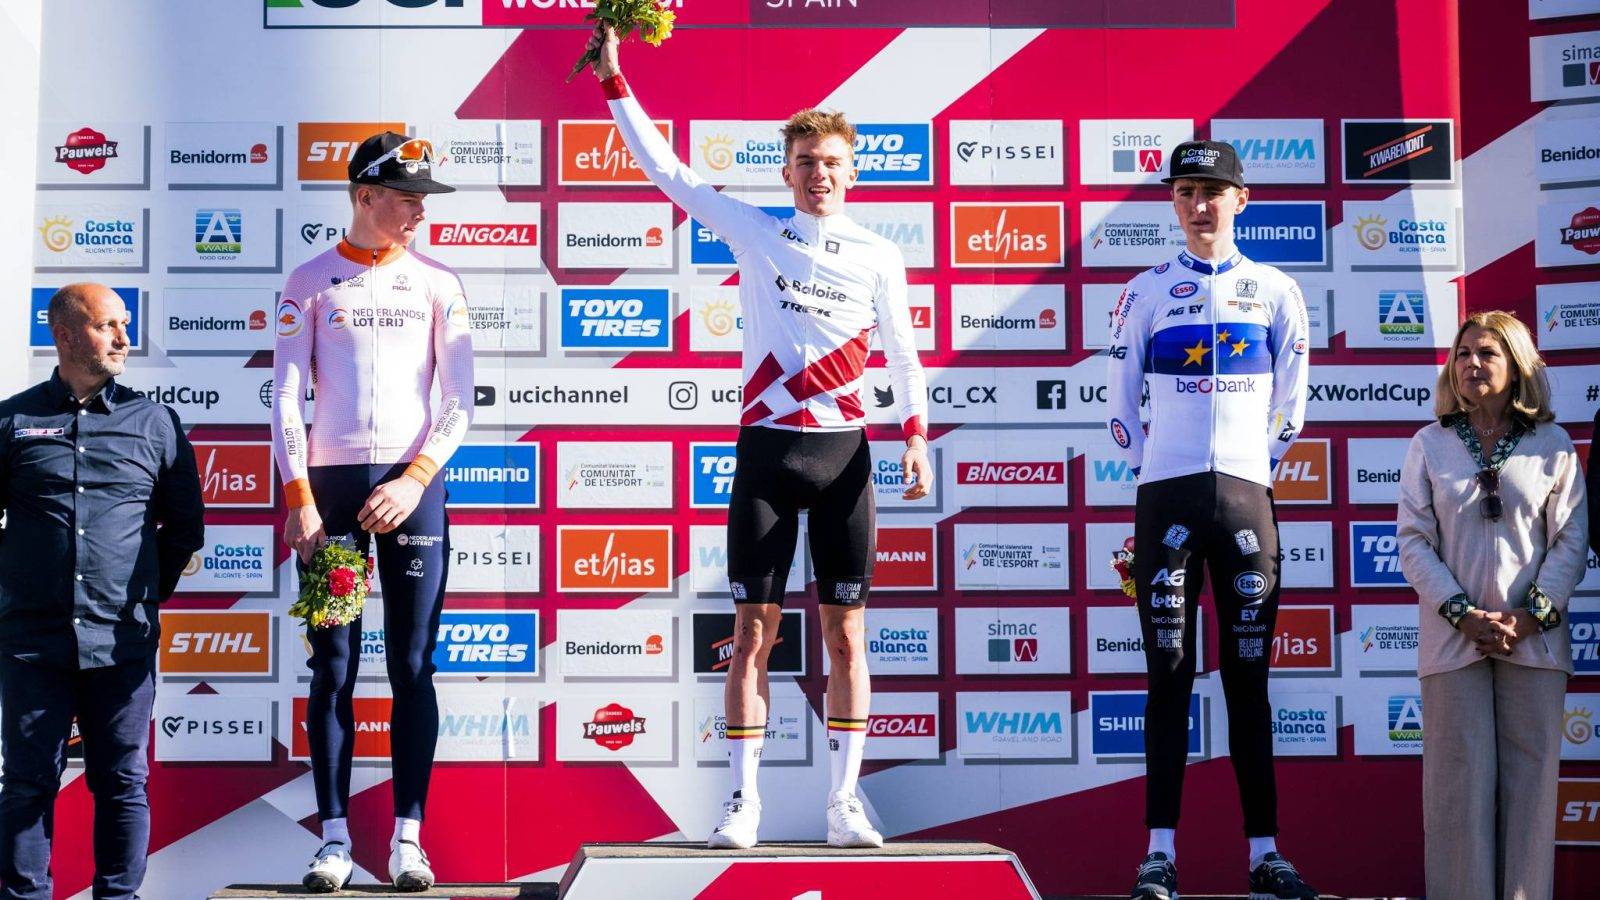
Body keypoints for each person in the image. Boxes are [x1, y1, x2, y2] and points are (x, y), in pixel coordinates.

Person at [582, 26, 932, 850]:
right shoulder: (755, 230)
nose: (820, 176)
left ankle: (845, 803)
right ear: (787, 171)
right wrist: (615, 81)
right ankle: (743, 803)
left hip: (846, 455)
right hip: (769, 454)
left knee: (847, 632)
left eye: (834, 164)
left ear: (854, 172)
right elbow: (668, 173)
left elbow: (908, 354)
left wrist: (914, 438)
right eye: (806, 163)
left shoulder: (881, 255)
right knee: (751, 634)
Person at [1105, 141, 1318, 900]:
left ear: (1241, 199)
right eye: (1188, 191)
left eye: (1214, 191)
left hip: (1245, 503)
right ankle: (1158, 854)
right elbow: (1120, 406)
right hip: (1166, 499)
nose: (1201, 205)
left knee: (1249, 681)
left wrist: (1250, 471)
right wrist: (1150, 477)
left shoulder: (1277, 289)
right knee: (1166, 677)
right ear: (1173, 202)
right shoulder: (1146, 290)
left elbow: (1292, 404)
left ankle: (1266, 853)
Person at [273, 132, 474, 892]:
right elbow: (287, 395)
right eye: (406, 197)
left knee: (412, 666)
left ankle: (407, 842)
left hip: (411, 490)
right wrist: (300, 498)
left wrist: (417, 478)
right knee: (333, 666)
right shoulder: (310, 280)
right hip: (329, 495)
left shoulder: (439, 282)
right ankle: (332, 841)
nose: (420, 210)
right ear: (364, 196)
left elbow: (458, 400)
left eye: (424, 197)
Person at [0, 283, 204, 900]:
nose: (123, 339)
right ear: (64, 335)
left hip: (122, 642)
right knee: (28, 783)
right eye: (107, 325)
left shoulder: (155, 422)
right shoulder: (13, 420)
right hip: (32, 642)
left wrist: (140, 596)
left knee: (122, 781)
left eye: (124, 325)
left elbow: (185, 529)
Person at [1397, 311, 1586, 900]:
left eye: (1487, 354)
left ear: (1518, 367)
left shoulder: (1552, 444)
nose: (1472, 364)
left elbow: (1572, 540)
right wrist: (1463, 614)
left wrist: (1530, 615)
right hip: (1455, 645)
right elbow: (1412, 541)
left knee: (1531, 795)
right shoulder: (1429, 443)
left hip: (1535, 643)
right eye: (1462, 355)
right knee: (1458, 793)